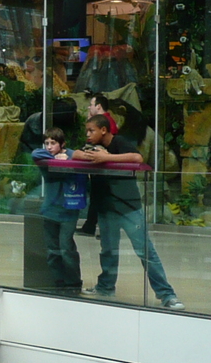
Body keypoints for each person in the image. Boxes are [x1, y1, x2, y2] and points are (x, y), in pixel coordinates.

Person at [75, 114, 183, 310]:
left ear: (104, 130)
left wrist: (106, 158)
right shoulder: (90, 146)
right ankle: (105, 286)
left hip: (128, 206)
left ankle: (167, 294)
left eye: (91, 131)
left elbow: (137, 157)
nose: (88, 135)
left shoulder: (120, 142)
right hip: (106, 207)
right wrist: (91, 155)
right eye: (87, 131)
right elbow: (75, 154)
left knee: (145, 250)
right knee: (108, 249)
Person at [31, 127, 87, 292]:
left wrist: (67, 156)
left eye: (53, 143)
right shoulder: (44, 157)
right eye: (46, 143)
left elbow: (80, 156)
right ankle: (58, 281)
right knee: (52, 250)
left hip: (69, 210)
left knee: (66, 248)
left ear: (62, 144)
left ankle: (74, 282)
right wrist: (56, 158)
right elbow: (36, 154)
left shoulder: (69, 154)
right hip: (50, 210)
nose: (49, 146)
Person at [77, 94, 118, 237]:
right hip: (101, 166)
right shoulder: (106, 121)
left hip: (104, 166)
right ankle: (92, 225)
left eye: (92, 104)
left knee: (102, 197)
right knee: (97, 196)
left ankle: (103, 227)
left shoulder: (106, 122)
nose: (89, 107)